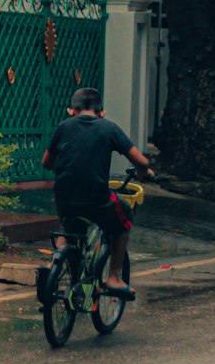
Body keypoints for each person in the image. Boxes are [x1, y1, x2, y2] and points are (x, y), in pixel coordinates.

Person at [41, 86, 154, 300]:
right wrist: (142, 172)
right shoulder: (109, 128)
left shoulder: (63, 126)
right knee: (125, 216)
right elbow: (141, 160)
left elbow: (47, 162)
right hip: (96, 198)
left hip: (64, 198)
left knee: (70, 226)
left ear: (71, 110)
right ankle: (113, 277)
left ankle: (55, 262)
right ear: (101, 112)